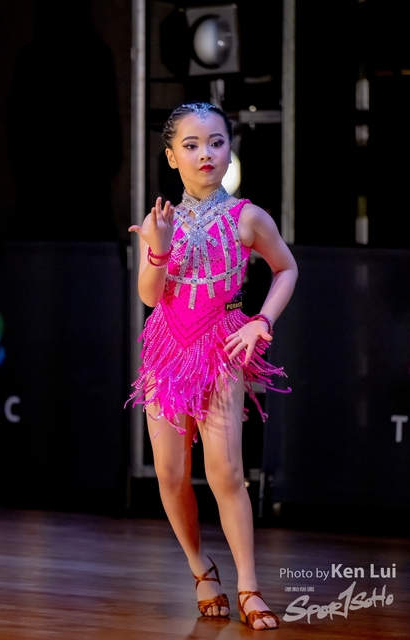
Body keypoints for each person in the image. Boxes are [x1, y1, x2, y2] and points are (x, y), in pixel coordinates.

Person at [127, 102, 298, 630]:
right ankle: (201, 568)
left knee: (226, 472)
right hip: (168, 350)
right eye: (192, 145)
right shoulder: (163, 221)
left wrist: (261, 320)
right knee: (170, 472)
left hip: (221, 349)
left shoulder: (247, 216)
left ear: (229, 150)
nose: (206, 153)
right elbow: (150, 297)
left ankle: (248, 585)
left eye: (217, 142)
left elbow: (286, 268)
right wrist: (157, 249)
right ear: (171, 156)